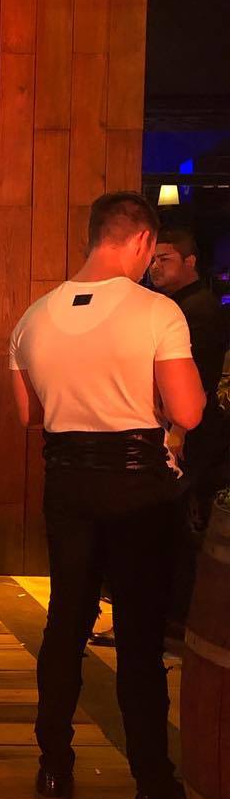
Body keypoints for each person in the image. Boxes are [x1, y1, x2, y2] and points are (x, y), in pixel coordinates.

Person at [9, 191, 206, 799]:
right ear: (143, 240)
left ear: (95, 235)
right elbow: (189, 411)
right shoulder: (157, 312)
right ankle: (152, 787)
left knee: (66, 622)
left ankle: (53, 766)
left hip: (66, 481)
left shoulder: (32, 318)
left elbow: (28, 414)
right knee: (140, 639)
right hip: (138, 487)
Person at [149, 229, 230, 591]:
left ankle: (174, 609)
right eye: (152, 259)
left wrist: (179, 431)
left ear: (190, 261)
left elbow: (201, 379)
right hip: (182, 427)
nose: (155, 267)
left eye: (164, 259)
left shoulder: (197, 310)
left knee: (181, 523)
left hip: (191, 432)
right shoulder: (178, 306)